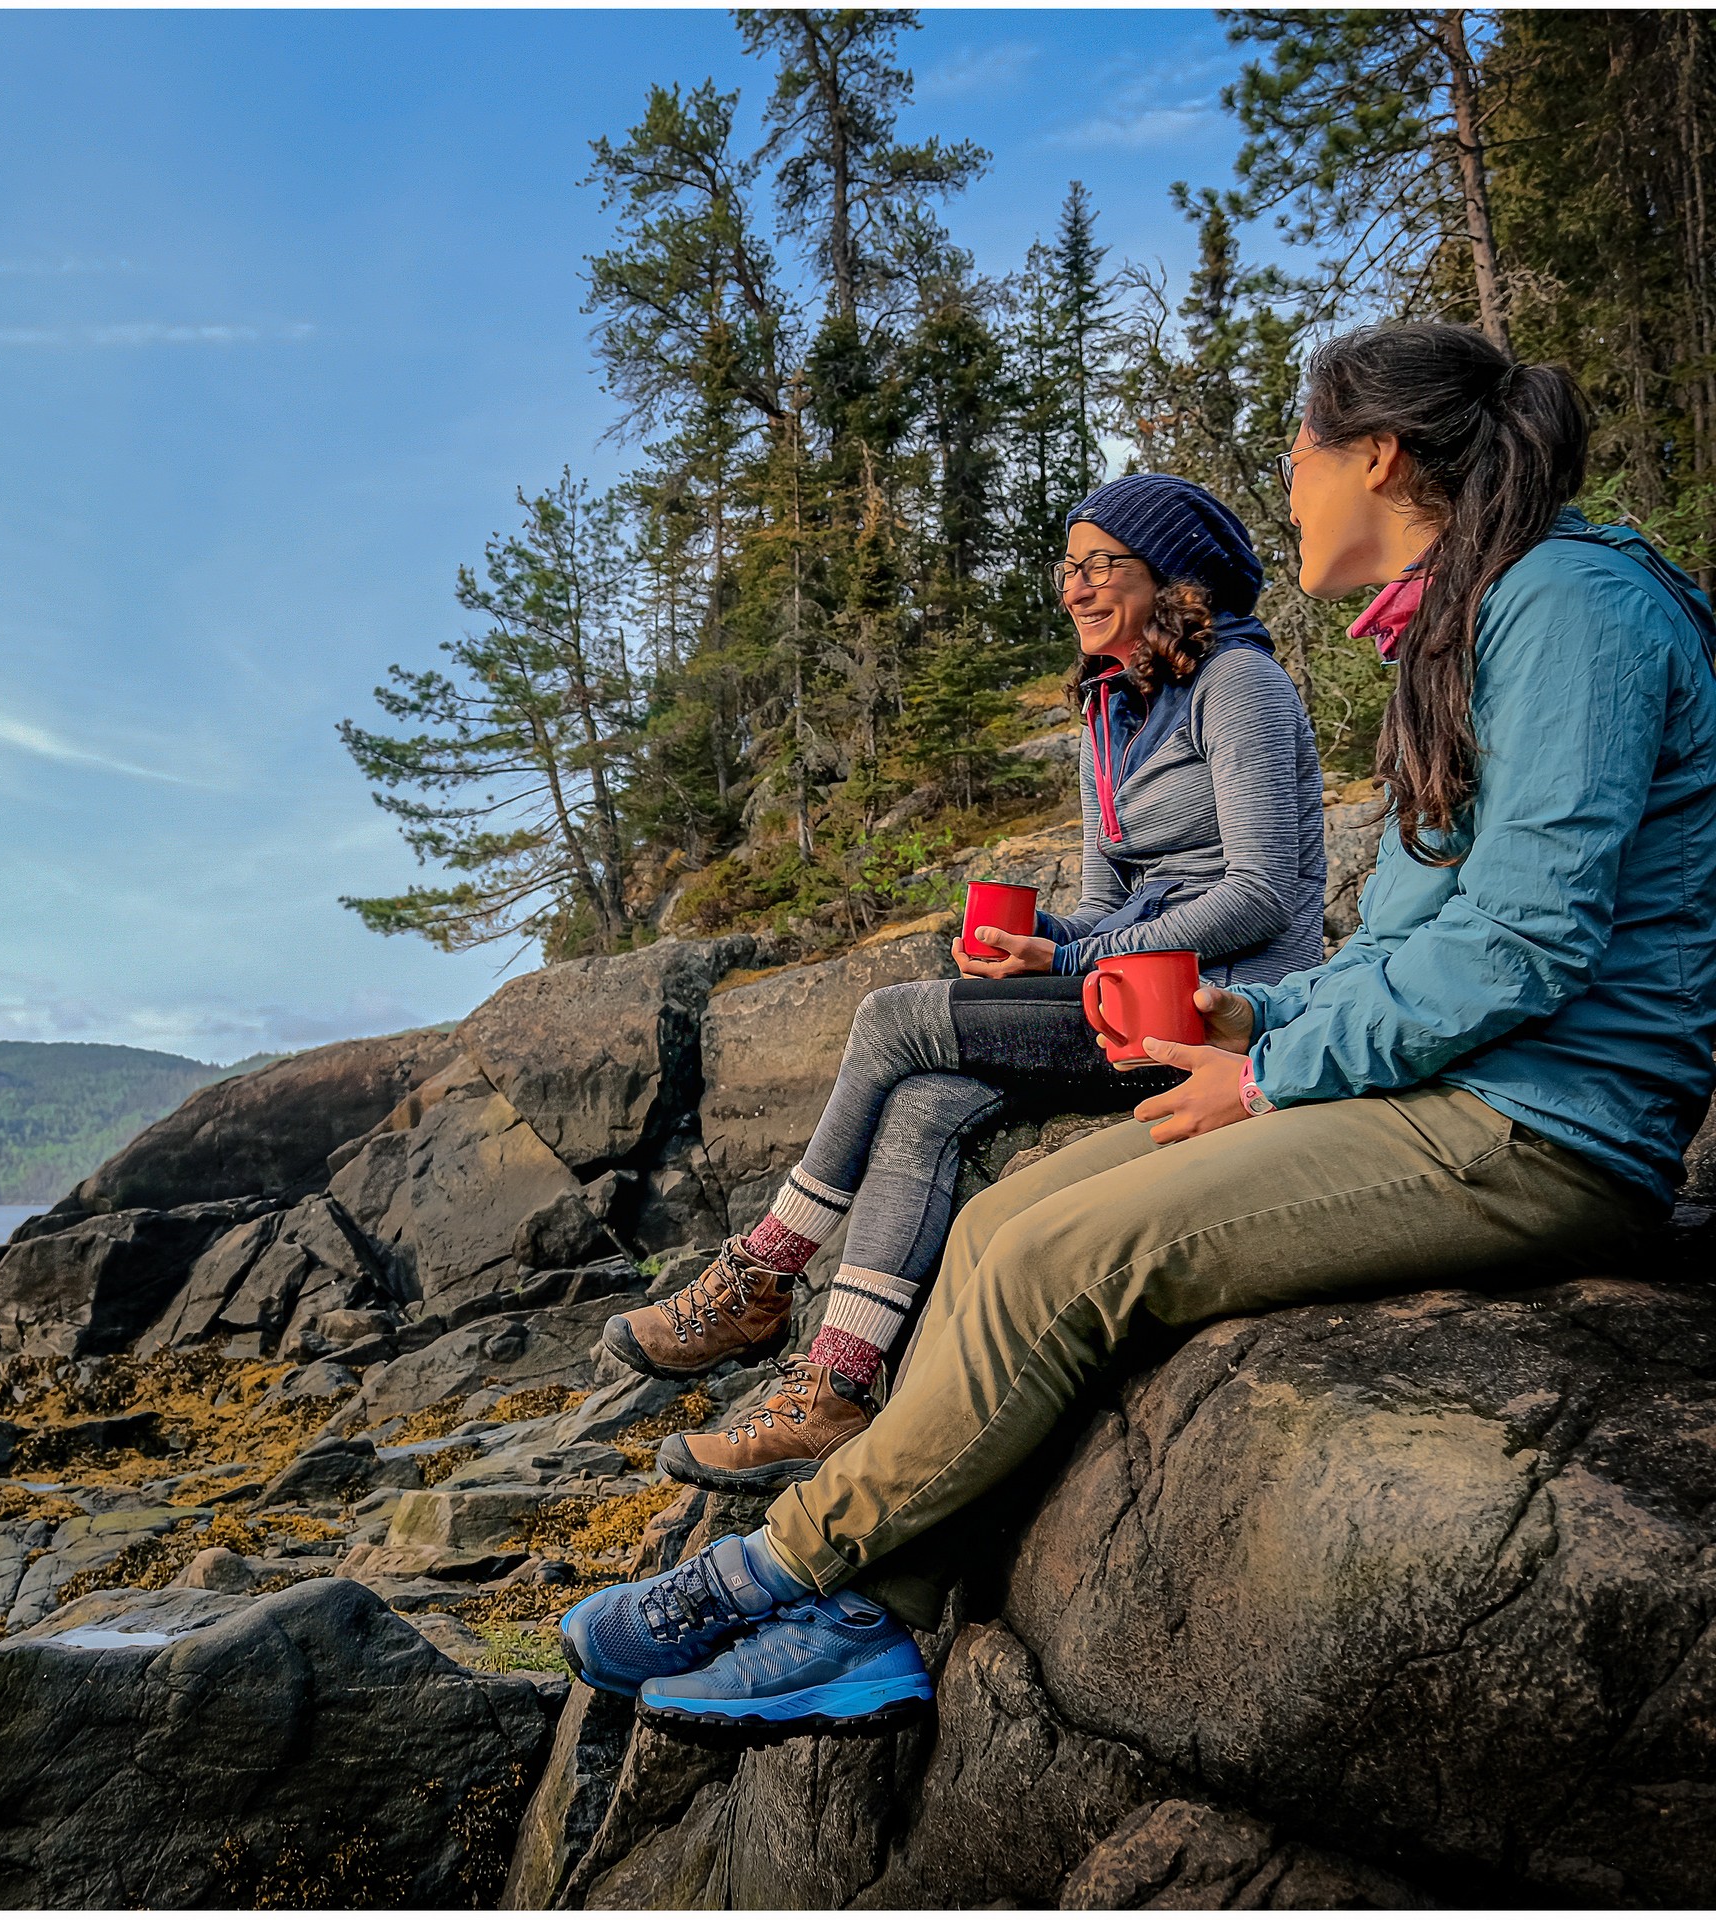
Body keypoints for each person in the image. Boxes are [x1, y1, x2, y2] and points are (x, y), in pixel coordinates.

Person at [565, 320, 1716, 1732]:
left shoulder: (1572, 605)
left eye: (1298, 453)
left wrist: (1277, 1071)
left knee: (1064, 1251)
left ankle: (772, 1572)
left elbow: (1529, 939)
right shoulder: (1469, 622)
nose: (1287, 487)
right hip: (1450, 1082)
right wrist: (1260, 1012)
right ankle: (880, 1622)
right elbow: (1411, 945)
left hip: (1544, 1124)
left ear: (1378, 455)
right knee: (997, 1227)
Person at [603, 472, 1325, 1493]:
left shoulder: (1238, 686)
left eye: (1097, 565)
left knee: (890, 1020)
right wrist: (1037, 943)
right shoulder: (1108, 712)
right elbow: (1098, 901)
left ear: (1171, 578)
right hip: (1119, 993)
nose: (1073, 588)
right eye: (1065, 568)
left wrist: (1075, 958)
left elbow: (1256, 893)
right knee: (927, 1101)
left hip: (1217, 1009)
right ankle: (836, 1389)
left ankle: (758, 1274)